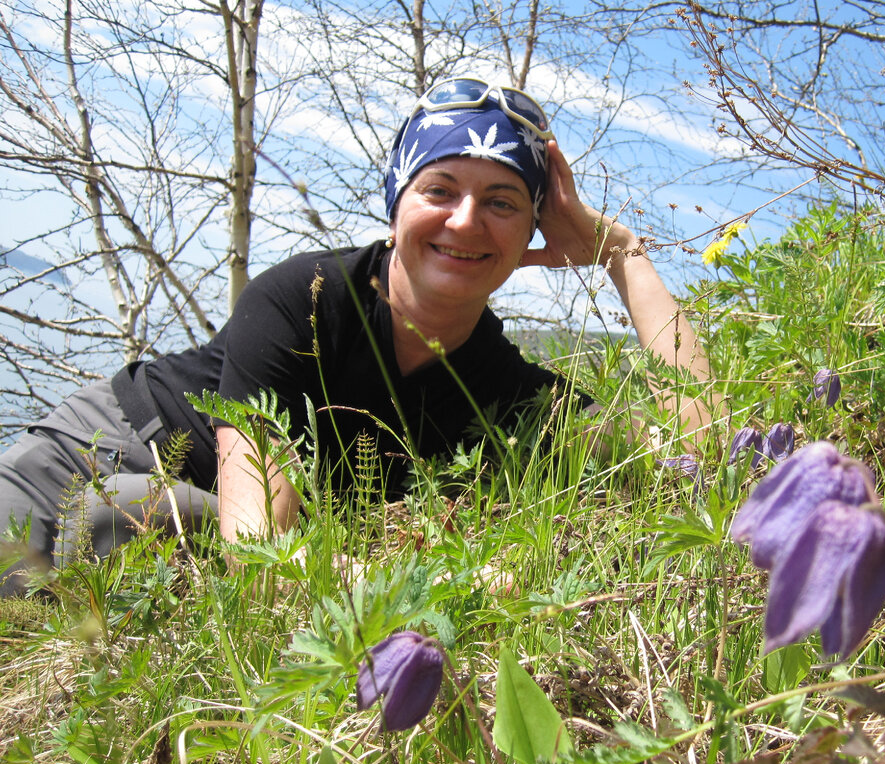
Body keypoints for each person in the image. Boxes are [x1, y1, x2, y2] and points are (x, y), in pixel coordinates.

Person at [0, 78, 711, 597]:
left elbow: (701, 460)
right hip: (91, 459)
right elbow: (258, 556)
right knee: (161, 519)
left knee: (167, 528)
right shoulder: (303, 298)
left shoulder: (506, 389)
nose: (466, 222)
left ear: (532, 233)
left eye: (502, 202)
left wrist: (624, 256)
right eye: (439, 189)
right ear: (397, 202)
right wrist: (445, 583)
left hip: (173, 528)